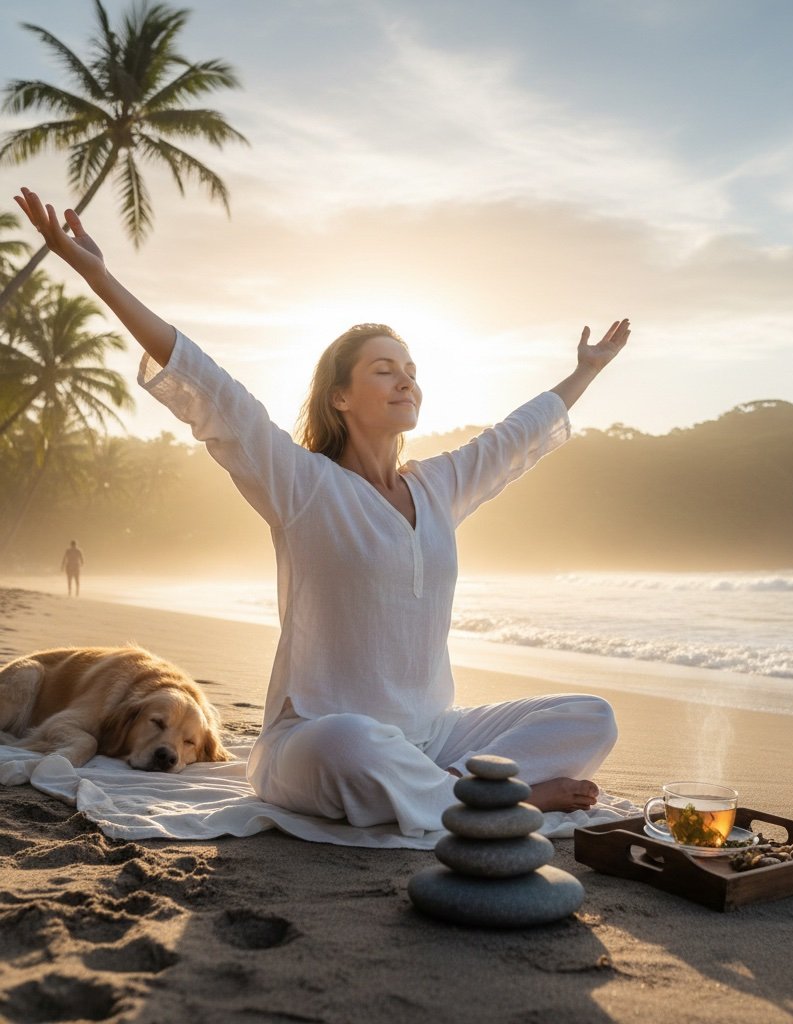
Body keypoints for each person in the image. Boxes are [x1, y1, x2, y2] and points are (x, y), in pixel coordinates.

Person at [15, 187, 630, 835]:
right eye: (384, 370)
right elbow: (209, 389)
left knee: (592, 717)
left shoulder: (441, 485)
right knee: (351, 745)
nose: (405, 380)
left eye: (412, 369)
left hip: (432, 736)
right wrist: (99, 276)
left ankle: (444, 790)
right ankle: (502, 798)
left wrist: (584, 372)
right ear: (340, 396)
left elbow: (517, 438)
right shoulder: (304, 484)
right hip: (312, 739)